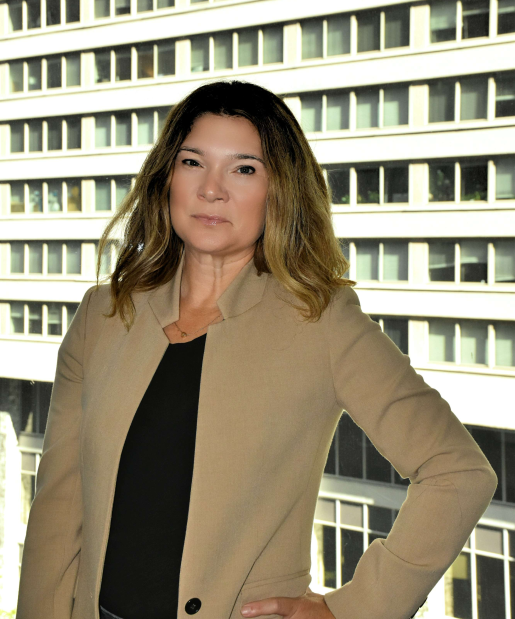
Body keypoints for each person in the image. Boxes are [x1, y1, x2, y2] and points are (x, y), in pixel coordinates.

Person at [17, 80, 497, 619]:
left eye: (243, 168)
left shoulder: (323, 322)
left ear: (279, 190)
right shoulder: (103, 315)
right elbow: (59, 509)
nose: (212, 190)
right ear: (167, 177)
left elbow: (457, 470)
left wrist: (352, 610)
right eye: (193, 162)